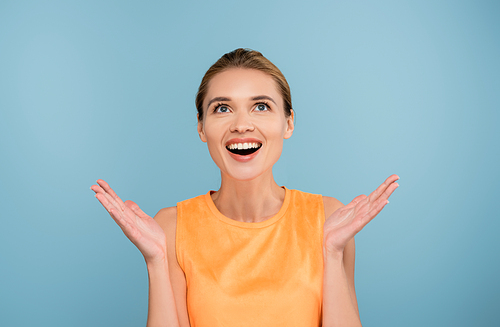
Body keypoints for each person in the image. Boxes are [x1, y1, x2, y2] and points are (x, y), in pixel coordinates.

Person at [90, 48, 399, 327]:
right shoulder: (170, 227)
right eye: (222, 108)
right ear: (201, 127)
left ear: (288, 123)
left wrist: (332, 252)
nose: (241, 124)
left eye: (261, 107)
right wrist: (156, 262)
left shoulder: (330, 218)